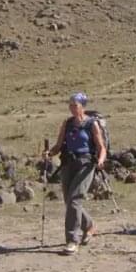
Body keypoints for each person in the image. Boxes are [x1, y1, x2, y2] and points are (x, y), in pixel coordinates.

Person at [47, 92, 107, 255]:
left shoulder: (91, 124)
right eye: (71, 105)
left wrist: (101, 160)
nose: (73, 108)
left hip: (86, 165)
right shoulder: (66, 124)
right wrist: (50, 153)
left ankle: (72, 240)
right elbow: (59, 145)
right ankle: (89, 225)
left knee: (75, 200)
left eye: (76, 105)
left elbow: (101, 147)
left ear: (83, 106)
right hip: (68, 164)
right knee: (69, 201)